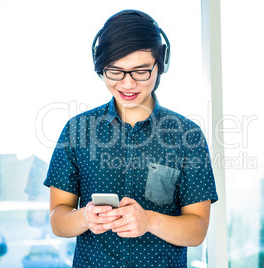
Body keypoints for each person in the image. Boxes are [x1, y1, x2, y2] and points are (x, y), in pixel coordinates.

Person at [44, 9, 218, 268]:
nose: (127, 84)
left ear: (161, 65)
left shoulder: (186, 135)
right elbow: (58, 219)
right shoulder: (76, 130)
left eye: (141, 71)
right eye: (115, 71)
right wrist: (84, 218)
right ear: (100, 68)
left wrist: (150, 221)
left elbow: (197, 230)